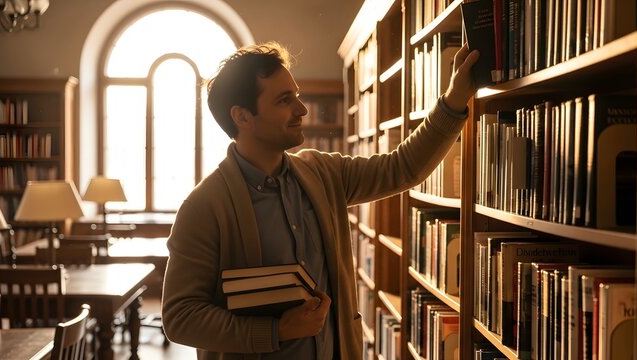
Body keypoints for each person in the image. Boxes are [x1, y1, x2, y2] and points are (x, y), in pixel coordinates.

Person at [161, 41, 479, 360]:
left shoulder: (323, 174)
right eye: (285, 100)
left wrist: (454, 98)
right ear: (242, 116)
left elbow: (403, 168)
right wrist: (275, 332)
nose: (302, 109)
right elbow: (180, 317)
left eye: (296, 95)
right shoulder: (203, 207)